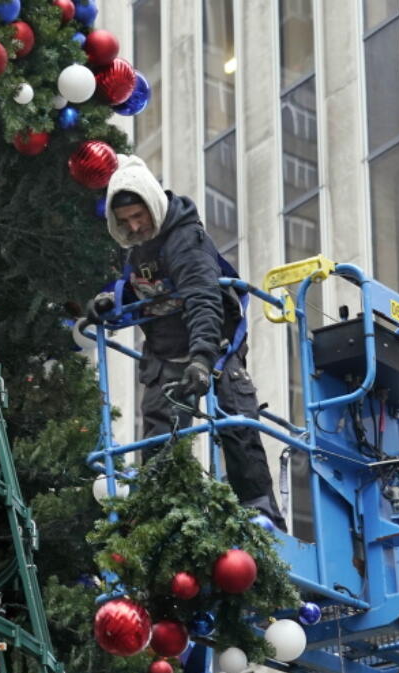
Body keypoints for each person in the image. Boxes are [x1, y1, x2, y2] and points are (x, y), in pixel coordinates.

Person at [87, 155, 286, 530]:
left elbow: (204, 299)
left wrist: (201, 359)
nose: (134, 226)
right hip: (164, 354)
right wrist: (108, 300)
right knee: (160, 438)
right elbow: (135, 287)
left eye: (139, 217)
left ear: (153, 205)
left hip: (214, 348)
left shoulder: (185, 239)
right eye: (126, 221)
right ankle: (161, 520)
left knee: (235, 421)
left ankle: (260, 513)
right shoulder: (135, 247)